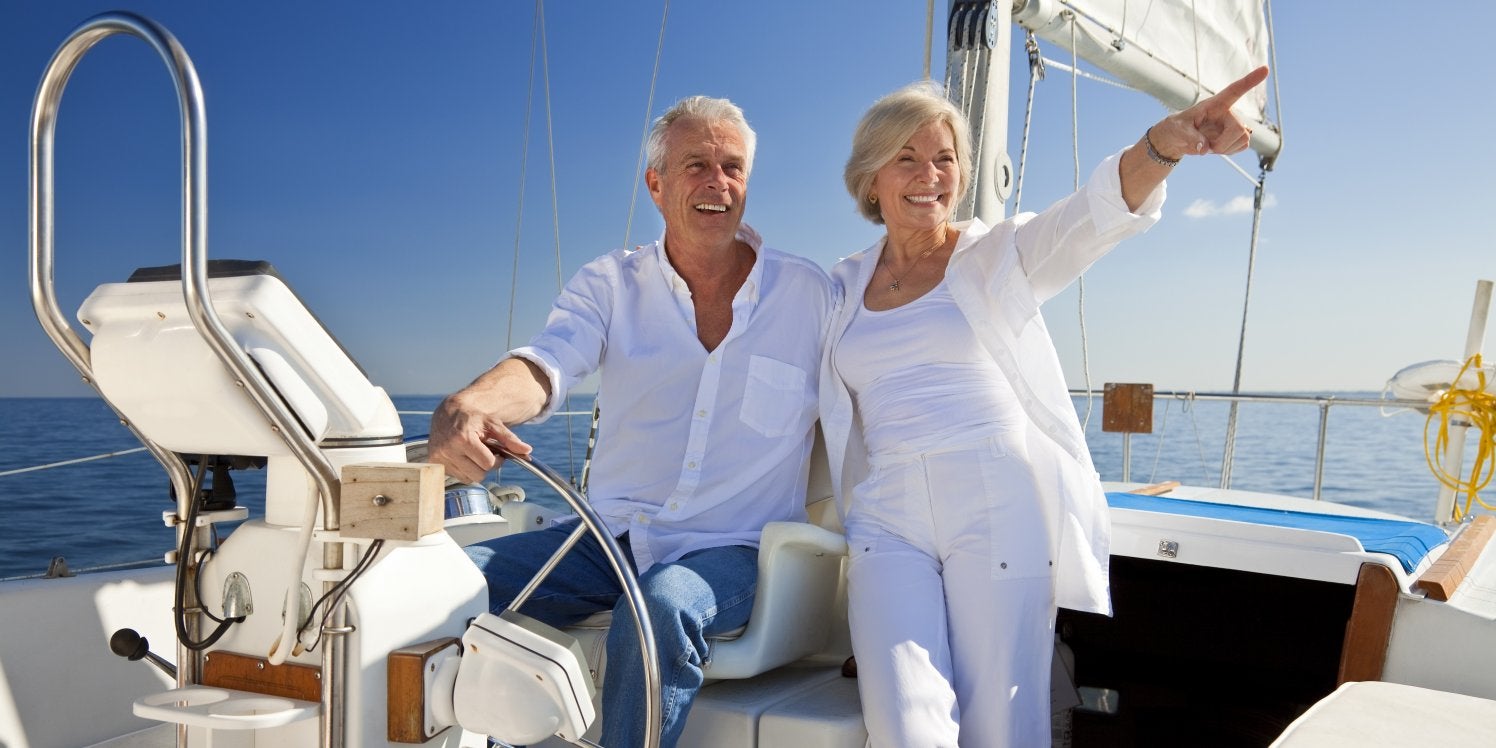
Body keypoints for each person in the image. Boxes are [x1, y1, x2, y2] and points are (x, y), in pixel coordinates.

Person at [819, 67, 1270, 747]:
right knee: (906, 723)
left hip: (995, 506)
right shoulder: (839, 286)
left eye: (945, 158)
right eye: (906, 158)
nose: (929, 175)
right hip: (887, 517)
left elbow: (1088, 219)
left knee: (1002, 726)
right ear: (870, 178)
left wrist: (1163, 145)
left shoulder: (996, 255)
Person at [428, 95, 832, 747]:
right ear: (656, 184)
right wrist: (474, 405)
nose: (717, 183)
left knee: (659, 609)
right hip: (609, 539)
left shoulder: (811, 295)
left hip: (736, 548)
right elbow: (547, 363)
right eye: (696, 165)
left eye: (732, 167)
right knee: (440, 584)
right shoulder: (611, 284)